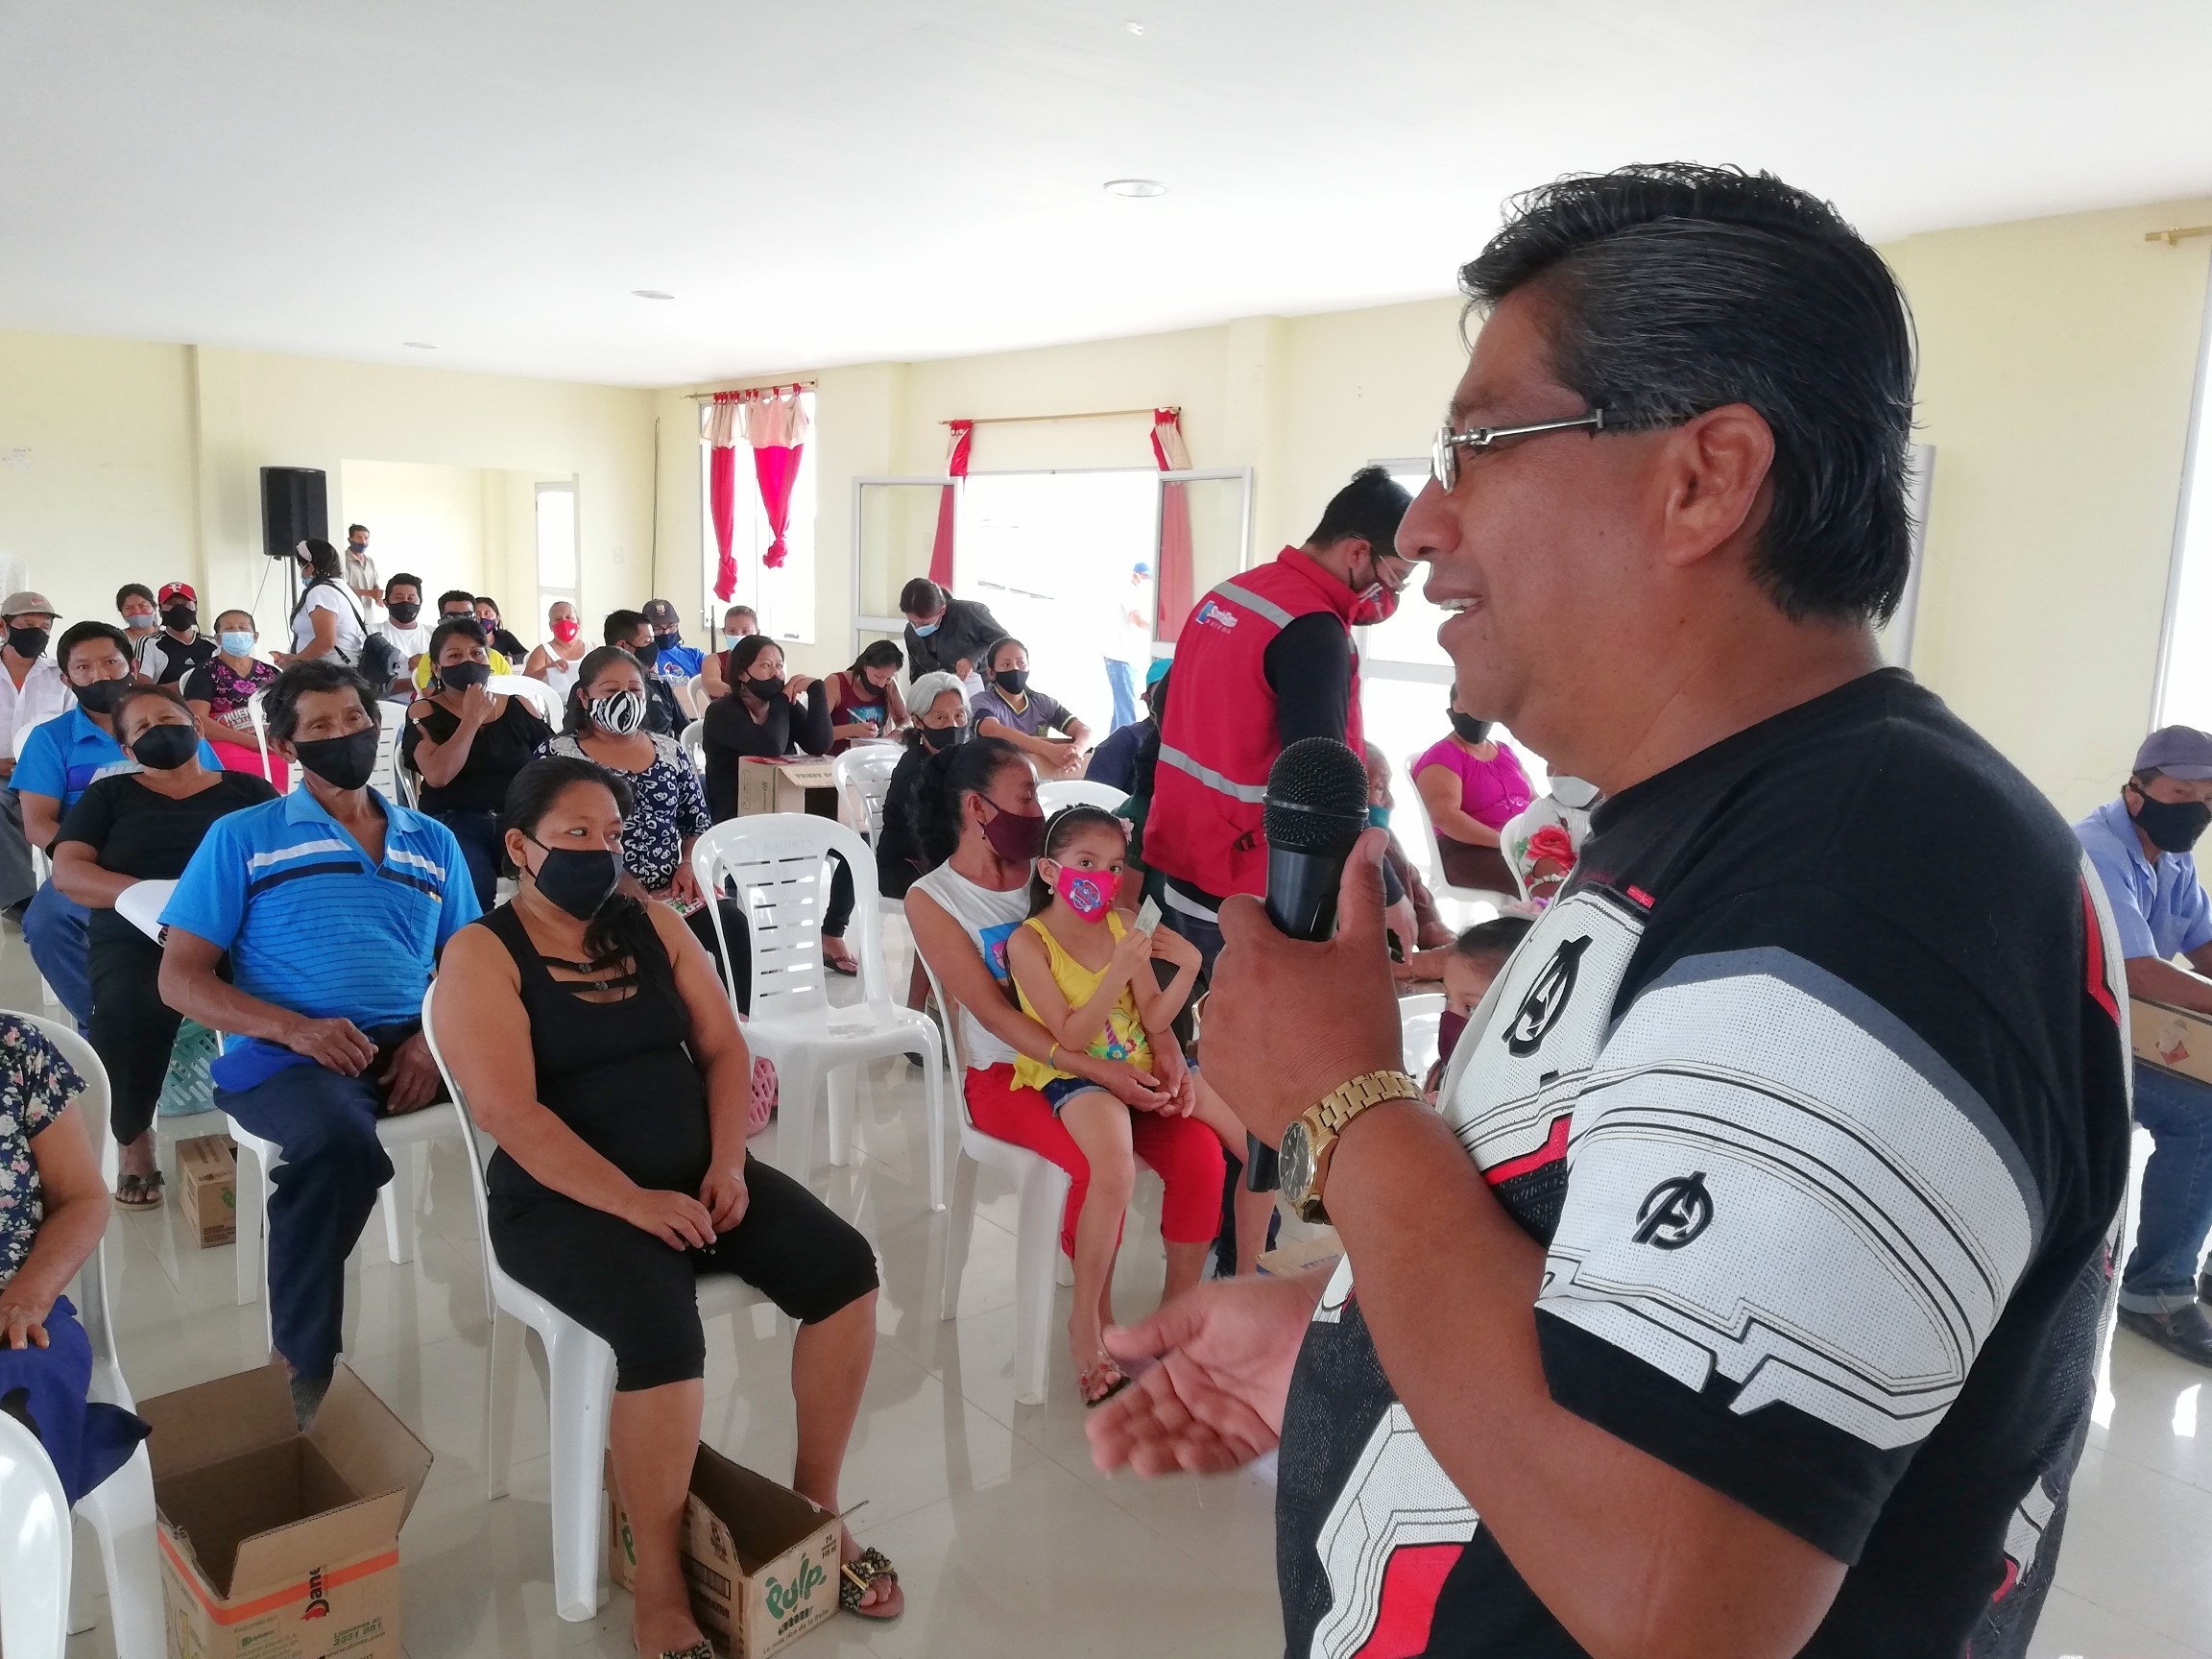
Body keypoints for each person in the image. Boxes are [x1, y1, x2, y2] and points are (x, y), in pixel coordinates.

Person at [1089, 164, 2131, 1659]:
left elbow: (1675, 1600)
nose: (1423, 526)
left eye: (1476, 448)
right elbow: (1609, 1278)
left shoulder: (1875, 875)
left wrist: (1347, 1105)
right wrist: (1356, 1341)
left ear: (1704, 478)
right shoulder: (1728, 819)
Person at [433, 758, 901, 1646]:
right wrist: (633, 1202)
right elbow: (507, 1112)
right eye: (576, 834)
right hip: (563, 1200)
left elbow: (725, 1049)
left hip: (698, 1176)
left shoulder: (650, 922)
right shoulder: (482, 953)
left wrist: (729, 1163)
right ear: (520, 847)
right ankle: (657, 1574)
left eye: (612, 834)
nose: (599, 851)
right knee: (660, 1332)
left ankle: (816, 1507)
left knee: (845, 1270)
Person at [158, 660, 479, 1425]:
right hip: (286, 1055)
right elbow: (179, 978)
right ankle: (301, 1364)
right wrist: (293, 1029)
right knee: (338, 1143)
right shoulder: (244, 837)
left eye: (356, 720)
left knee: (562, 1079)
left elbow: (469, 965)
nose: (345, 736)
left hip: (412, 1041)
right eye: (322, 726)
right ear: (286, 744)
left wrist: (431, 1039)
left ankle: (577, 1286)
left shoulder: (431, 840)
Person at [904, 738, 1230, 1388]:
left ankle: (1180, 1318)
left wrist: (1166, 1051)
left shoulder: (1064, 871)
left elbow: (1134, 982)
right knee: (1097, 1164)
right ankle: (1095, 1327)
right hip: (1010, 1075)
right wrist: (1099, 1071)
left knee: (1202, 1153)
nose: (1038, 810)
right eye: (1026, 797)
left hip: (1111, 1059)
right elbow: (996, 1019)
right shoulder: (933, 898)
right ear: (977, 808)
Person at [1006, 805, 1256, 1401]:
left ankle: (1237, 1295)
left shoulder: (1123, 925)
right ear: (1049, 871)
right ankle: (1086, 1322)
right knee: (1113, 1170)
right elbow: (1070, 1036)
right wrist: (1118, 970)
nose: (1103, 877)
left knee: (1257, 1145)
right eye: (1086, 863)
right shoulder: (1029, 942)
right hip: (1080, 1075)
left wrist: (1190, 967)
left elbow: (1155, 1017)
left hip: (1142, 1064)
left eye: (1115, 866)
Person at [52, 685, 276, 1204]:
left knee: (282, 991)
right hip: (137, 928)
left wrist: (211, 913)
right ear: (126, 749)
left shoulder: (249, 790)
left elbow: (282, 862)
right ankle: (133, 1137)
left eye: (168, 720)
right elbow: (69, 873)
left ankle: (274, 1112)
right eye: (143, 728)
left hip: (238, 926)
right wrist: (148, 901)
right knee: (127, 1008)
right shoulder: (109, 796)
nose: (159, 732)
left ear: (196, 726)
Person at [2074, 727, 2212, 1364]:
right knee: (2203, 1116)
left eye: (2207, 798)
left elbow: (2204, 947)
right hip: (2073, 1040)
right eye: (2182, 793)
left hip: (2128, 1033)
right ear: (2137, 791)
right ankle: (2154, 1294)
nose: (2196, 809)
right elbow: (2137, 972)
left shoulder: (2172, 859)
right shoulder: (2097, 849)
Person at [19, 622, 222, 1029]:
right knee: (45, 921)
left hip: (188, 858)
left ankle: (214, 1012)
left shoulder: (173, 723)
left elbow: (216, 791)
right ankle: (104, 1022)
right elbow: (38, 823)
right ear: (67, 679)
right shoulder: (50, 739)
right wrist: (84, 863)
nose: (101, 676)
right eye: (83, 668)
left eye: (111, 662)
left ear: (132, 666)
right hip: (95, 863)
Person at [0, 1012, 149, 1508]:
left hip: (17, 1312)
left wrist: (28, 1298)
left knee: (20, 1409)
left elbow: (82, 1198)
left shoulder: (14, 1048)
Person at [542, 646, 746, 995]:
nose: (625, 698)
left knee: (732, 923)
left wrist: (688, 864)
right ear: (584, 697)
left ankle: (738, 1018)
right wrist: (612, 876)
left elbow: (697, 824)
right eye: (610, 690)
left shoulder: (670, 751)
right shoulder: (558, 757)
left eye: (634, 690)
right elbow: (546, 834)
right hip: (593, 891)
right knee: (639, 945)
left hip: (673, 889)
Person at [699, 636, 858, 974]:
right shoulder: (723, 711)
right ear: (743, 674)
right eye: (765, 666)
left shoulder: (782, 705)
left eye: (780, 665)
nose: (776, 673)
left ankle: (832, 933)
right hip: (737, 817)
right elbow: (769, 745)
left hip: (786, 813)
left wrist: (816, 692)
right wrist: (784, 700)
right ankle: (756, 944)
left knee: (858, 846)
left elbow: (819, 743)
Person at [402, 617, 554, 910]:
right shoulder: (424, 711)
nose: (468, 662)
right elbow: (438, 775)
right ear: (436, 668)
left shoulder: (518, 704)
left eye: (476, 653)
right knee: (473, 887)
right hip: (456, 821)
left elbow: (552, 761)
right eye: (455, 656)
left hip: (519, 819)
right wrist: (471, 719)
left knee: (554, 877)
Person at [1412, 683, 1535, 892]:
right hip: (1467, 850)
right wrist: (1505, 843)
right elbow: (1446, 817)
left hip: (1519, 843)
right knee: (1540, 877)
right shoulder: (1442, 756)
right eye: (1464, 705)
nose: (1473, 712)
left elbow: (1533, 798)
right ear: (1451, 709)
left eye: (1480, 704)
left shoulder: (1505, 751)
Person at [0, 591, 70, 921]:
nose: (38, 632)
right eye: (28, 624)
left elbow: (72, 729)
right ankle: (22, 899)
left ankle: (77, 886)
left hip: (50, 775)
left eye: (44, 626)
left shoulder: (61, 677)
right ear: (4, 627)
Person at [877, 671, 969, 903]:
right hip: (911, 866)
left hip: (951, 860)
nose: (953, 725)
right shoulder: (913, 771)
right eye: (940, 718)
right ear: (918, 722)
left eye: (959, 716)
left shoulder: (966, 760)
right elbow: (937, 839)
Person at [1421, 916, 1533, 1099]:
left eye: (1471, 1009)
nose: (1451, 1018)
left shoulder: (1519, 1094)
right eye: (1448, 999)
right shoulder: (1441, 1073)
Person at [1361, 742, 1456, 957]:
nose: (1391, 802)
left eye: (1388, 787)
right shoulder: (1323, 863)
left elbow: (1429, 924)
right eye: (1379, 788)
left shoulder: (1391, 844)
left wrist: (1458, 949)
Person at [181, 609, 286, 787]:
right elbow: (198, 720)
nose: (237, 633)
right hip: (226, 740)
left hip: (270, 740)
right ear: (218, 639)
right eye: (229, 629)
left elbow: (289, 712)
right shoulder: (205, 672)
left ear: (255, 637)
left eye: (243, 628)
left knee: (293, 760)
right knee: (235, 767)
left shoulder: (271, 673)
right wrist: (250, 741)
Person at [970, 637, 1092, 778]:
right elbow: (993, 731)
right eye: (1006, 664)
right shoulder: (982, 701)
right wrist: (1048, 750)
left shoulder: (1043, 703)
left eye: (1020, 663)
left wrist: (1077, 751)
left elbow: (1084, 731)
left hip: (1040, 778)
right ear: (991, 673)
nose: (1015, 668)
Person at [1498, 774, 1599, 907]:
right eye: (1551, 764)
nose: (1557, 773)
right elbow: (1553, 903)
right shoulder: (1545, 814)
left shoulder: (1616, 811)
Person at [899, 577, 1005, 698]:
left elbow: (1006, 644)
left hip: (985, 695)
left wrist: (973, 659)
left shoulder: (970, 613)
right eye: (912, 622)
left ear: (942, 610)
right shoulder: (910, 633)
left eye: (925, 624)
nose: (917, 628)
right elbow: (917, 677)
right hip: (945, 701)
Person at [279, 538, 368, 667]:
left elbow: (325, 641)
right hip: (340, 668)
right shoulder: (342, 588)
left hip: (329, 672)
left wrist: (293, 663)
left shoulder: (321, 592)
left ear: (310, 567)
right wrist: (296, 657)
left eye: (301, 566)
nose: (302, 573)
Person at [1087, 657, 1169, 795]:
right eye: (1162, 691)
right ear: (1146, 698)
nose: (1168, 698)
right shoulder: (1126, 740)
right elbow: (1093, 799)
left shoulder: (1194, 745)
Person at [605, 610, 688, 733]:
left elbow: (686, 729)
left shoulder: (659, 684)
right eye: (647, 642)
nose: (653, 647)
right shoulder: (594, 688)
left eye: (653, 641)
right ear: (622, 646)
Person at [411, 592, 514, 690]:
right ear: (441, 622)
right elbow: (431, 695)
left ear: (477, 619)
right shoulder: (430, 660)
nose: (461, 622)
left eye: (467, 616)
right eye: (452, 617)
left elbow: (510, 690)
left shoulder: (496, 658)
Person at [826, 639, 908, 754]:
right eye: (878, 676)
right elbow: (815, 732)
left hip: (875, 757)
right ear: (865, 666)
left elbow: (905, 719)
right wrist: (852, 730)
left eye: (889, 678)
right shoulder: (836, 683)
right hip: (836, 758)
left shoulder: (890, 685)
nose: (882, 684)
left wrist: (900, 730)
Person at [135, 582, 216, 687]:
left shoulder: (213, 643)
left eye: (185, 604)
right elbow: (143, 690)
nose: (179, 609)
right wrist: (186, 685)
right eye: (171, 604)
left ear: (195, 608)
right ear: (160, 611)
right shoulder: (149, 643)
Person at [1106, 561, 1154, 731]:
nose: (1149, 580)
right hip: (1120, 658)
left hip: (1121, 657)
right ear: (1136, 575)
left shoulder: (1134, 593)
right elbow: (1137, 620)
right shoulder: (1130, 593)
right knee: (1126, 711)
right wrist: (1157, 630)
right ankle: (1127, 746)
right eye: (1146, 576)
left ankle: (1111, 745)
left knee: (1120, 708)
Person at [374, 573, 430, 695]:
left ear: (420, 602)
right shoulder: (371, 633)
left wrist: (429, 662)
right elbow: (370, 684)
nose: (405, 602)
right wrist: (418, 679)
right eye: (398, 598)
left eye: (411, 598)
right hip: (387, 705)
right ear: (386, 603)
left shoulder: (436, 635)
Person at [524, 598, 589, 704]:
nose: (564, 622)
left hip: (590, 706)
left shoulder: (591, 648)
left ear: (578, 623)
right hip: (558, 708)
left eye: (569, 618)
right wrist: (547, 669)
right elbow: (524, 683)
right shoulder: (542, 651)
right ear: (551, 626)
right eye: (558, 619)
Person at [696, 604, 759, 702]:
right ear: (724, 632)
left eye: (745, 631)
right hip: (726, 709)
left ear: (757, 633)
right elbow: (712, 684)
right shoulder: (714, 660)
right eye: (732, 631)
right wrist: (743, 696)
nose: (738, 635)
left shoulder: (768, 660)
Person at [641, 598, 705, 680]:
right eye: (658, 628)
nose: (666, 632)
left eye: (670, 626)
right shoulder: (640, 659)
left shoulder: (695, 655)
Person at [473, 596, 528, 661]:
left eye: (487, 613)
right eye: (477, 614)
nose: (482, 617)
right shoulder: (465, 640)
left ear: (497, 619)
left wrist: (512, 660)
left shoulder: (504, 636)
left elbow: (526, 656)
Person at [343, 524, 381, 615]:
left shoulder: (369, 561)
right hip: (350, 612)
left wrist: (377, 595)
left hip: (368, 613)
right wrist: (369, 593)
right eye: (359, 538)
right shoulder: (343, 560)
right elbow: (343, 587)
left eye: (366, 538)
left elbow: (374, 583)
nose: (363, 541)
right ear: (350, 539)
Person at [117, 583, 159, 654]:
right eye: (128, 608)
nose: (137, 612)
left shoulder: (168, 637)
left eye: (143, 606)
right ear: (121, 612)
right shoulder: (117, 641)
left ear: (154, 607)